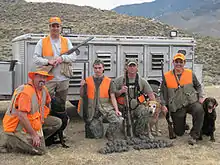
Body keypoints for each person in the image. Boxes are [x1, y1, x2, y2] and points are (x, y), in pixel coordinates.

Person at [1, 70, 62, 155]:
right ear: (33, 77)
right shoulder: (26, 92)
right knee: (41, 151)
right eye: (40, 77)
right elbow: (22, 117)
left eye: (44, 77)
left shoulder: (44, 90)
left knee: (57, 122)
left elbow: (47, 103)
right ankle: (10, 142)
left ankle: (35, 140)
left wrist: (41, 119)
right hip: (18, 126)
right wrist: (33, 134)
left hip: (33, 122)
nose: (43, 79)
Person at [33, 17, 76, 122]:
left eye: (57, 26)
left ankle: (60, 129)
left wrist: (62, 58)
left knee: (61, 106)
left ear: (60, 28)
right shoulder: (42, 42)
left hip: (63, 79)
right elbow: (36, 58)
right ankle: (47, 127)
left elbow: (74, 57)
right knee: (45, 104)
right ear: (49, 27)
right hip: (48, 80)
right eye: (53, 26)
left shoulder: (66, 41)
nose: (55, 28)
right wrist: (48, 62)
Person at [160, 53, 204, 145]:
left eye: (181, 62)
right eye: (176, 61)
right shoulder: (167, 76)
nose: (178, 64)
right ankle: (183, 126)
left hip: (191, 102)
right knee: (179, 133)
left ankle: (194, 135)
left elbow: (198, 86)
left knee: (199, 109)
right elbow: (162, 93)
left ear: (184, 63)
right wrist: (163, 105)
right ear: (173, 63)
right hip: (177, 106)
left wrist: (200, 97)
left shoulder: (190, 74)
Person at [78, 59, 121, 140]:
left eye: (99, 68)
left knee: (118, 120)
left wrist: (116, 110)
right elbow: (81, 95)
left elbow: (113, 97)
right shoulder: (87, 80)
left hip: (105, 108)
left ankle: (109, 133)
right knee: (97, 135)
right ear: (93, 68)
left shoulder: (109, 81)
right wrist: (82, 86)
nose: (97, 70)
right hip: (93, 111)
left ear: (103, 68)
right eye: (95, 68)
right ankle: (97, 126)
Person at [114, 59, 156, 138]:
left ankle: (139, 132)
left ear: (137, 68)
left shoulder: (142, 81)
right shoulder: (119, 80)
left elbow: (151, 96)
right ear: (126, 67)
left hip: (137, 107)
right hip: (123, 108)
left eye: (134, 66)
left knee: (146, 111)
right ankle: (126, 128)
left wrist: (153, 108)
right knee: (127, 132)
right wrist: (121, 91)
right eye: (130, 66)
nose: (132, 68)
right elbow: (112, 96)